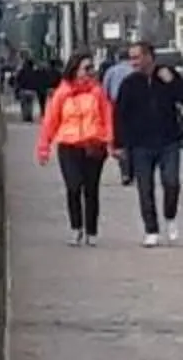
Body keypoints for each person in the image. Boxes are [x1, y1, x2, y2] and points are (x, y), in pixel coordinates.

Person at [40, 53, 116, 245]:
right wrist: (44, 147)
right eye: (86, 68)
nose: (90, 72)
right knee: (73, 187)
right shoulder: (62, 93)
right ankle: (76, 228)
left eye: (92, 68)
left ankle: (91, 231)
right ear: (75, 70)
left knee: (91, 190)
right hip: (69, 145)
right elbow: (51, 121)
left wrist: (110, 141)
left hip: (93, 145)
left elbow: (107, 118)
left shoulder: (97, 92)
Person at [127, 53, 183, 244]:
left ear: (149, 58)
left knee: (172, 182)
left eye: (137, 57)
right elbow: (121, 112)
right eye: (131, 58)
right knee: (145, 188)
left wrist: (173, 82)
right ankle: (151, 230)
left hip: (169, 141)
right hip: (140, 144)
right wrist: (119, 143)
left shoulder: (168, 76)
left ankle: (170, 216)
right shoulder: (130, 83)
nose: (133, 62)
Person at [107, 43, 152, 183]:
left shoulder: (112, 71)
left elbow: (105, 87)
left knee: (125, 141)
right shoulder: (134, 71)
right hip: (136, 106)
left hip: (117, 103)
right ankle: (134, 169)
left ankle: (126, 172)